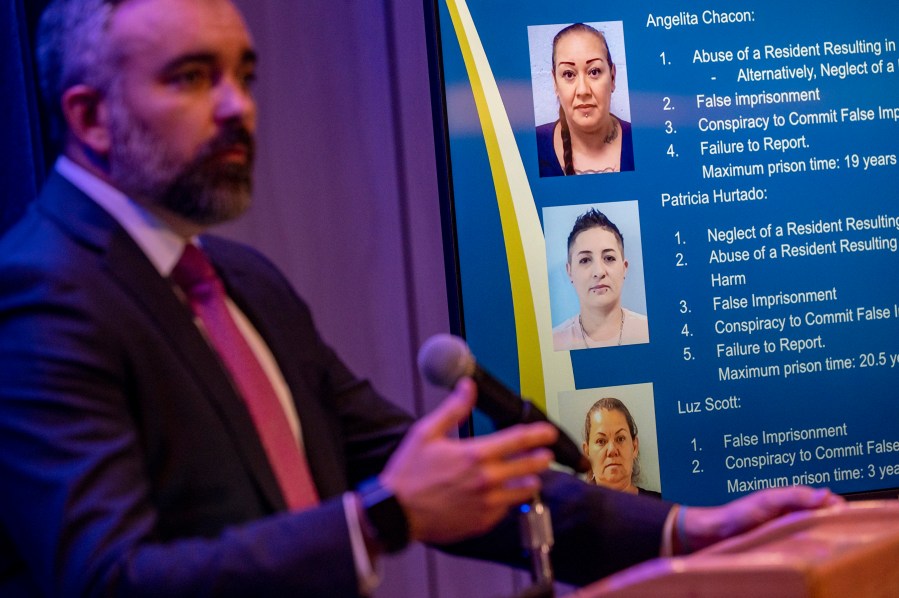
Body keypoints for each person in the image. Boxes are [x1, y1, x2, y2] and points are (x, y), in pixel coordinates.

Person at [0, 0, 842, 596]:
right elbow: (108, 578)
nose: (236, 107)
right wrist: (383, 519)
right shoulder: (40, 295)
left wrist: (680, 532)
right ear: (91, 116)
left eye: (243, 74)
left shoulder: (240, 282)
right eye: (190, 77)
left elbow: (451, 483)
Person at [536, 23, 634, 177]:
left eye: (594, 72)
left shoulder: (642, 140)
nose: (583, 91)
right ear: (555, 82)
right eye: (569, 74)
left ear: (613, 77)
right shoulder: (531, 146)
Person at [553, 208, 649, 350]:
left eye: (609, 258)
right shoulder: (555, 341)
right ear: (570, 272)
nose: (598, 272)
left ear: (624, 268)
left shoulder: (648, 331)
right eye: (585, 260)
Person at [583, 398, 660, 498]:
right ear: (587, 452)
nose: (612, 450)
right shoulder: (571, 511)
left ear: (635, 447)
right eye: (601, 441)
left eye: (620, 439)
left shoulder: (663, 506)